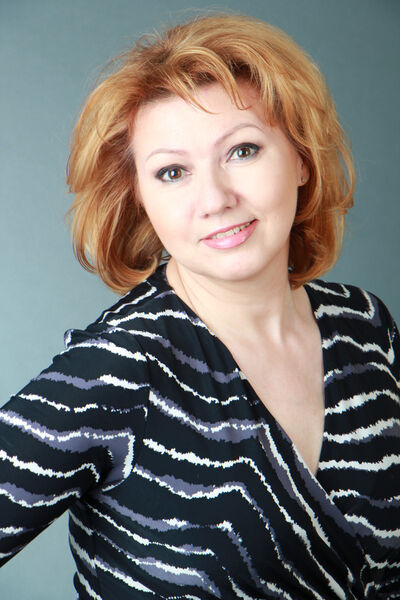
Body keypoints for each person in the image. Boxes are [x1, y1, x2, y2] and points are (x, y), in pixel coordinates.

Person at [1, 12, 399, 599]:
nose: (214, 198)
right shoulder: (115, 369)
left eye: (242, 150)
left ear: (301, 158)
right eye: (172, 172)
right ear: (140, 197)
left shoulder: (364, 327)